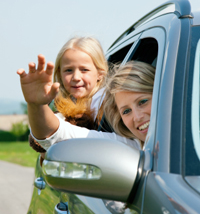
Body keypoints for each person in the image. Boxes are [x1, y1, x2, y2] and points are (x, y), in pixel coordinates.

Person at [17, 60, 155, 150]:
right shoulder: (130, 147)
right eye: (126, 111)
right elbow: (57, 134)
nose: (137, 117)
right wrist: (35, 105)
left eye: (143, 102)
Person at [23, 36, 108, 156]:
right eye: (68, 70)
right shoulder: (63, 106)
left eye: (84, 70)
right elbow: (44, 149)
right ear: (59, 74)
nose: (76, 77)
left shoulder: (106, 103)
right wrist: (37, 105)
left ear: (100, 73)